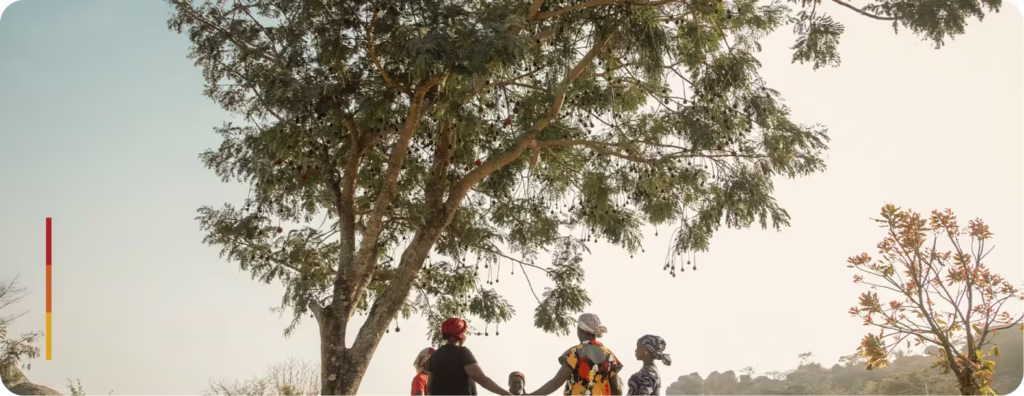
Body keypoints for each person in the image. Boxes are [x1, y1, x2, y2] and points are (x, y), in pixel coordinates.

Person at [526, 313, 624, 396]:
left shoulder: (575, 352)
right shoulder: (609, 355)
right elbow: (617, 389)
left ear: (580, 330)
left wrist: (531, 395)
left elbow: (557, 381)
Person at [426, 317, 513, 396]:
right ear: (461, 334)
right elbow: (482, 379)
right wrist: (507, 394)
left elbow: (429, 388)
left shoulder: (435, 355)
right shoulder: (462, 353)